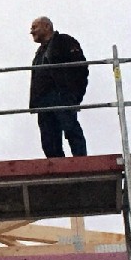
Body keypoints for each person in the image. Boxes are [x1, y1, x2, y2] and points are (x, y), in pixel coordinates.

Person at [29, 16, 88, 157]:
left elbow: (80, 68)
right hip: (43, 101)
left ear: (47, 26)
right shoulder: (39, 53)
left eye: (34, 27)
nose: (31, 32)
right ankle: (57, 165)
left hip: (61, 95)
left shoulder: (64, 41)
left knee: (71, 129)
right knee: (48, 139)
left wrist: (74, 94)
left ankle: (80, 161)